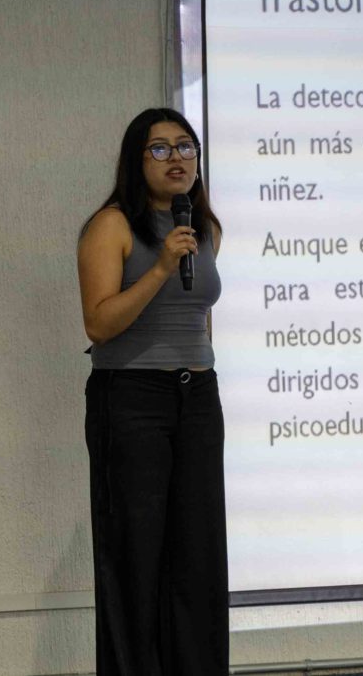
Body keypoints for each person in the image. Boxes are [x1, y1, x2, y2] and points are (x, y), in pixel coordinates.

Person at [77, 107, 227, 675]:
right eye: (160, 149)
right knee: (135, 557)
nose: (176, 159)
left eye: (186, 147)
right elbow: (99, 324)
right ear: (136, 160)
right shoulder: (112, 225)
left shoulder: (206, 227)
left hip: (198, 398)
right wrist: (161, 267)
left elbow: (197, 315)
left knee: (197, 554)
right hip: (131, 400)